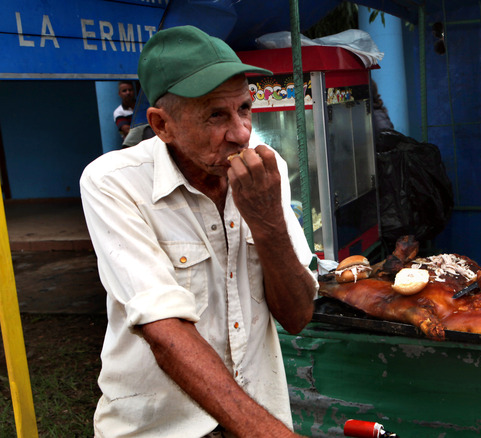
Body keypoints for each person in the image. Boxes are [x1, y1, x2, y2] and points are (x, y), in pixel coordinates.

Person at [80, 25, 318, 437]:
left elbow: (297, 316)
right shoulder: (114, 182)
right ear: (161, 124)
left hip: (257, 414)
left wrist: (268, 222)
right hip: (160, 428)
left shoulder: (265, 170)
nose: (242, 132)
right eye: (216, 115)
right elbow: (164, 327)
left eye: (244, 108)